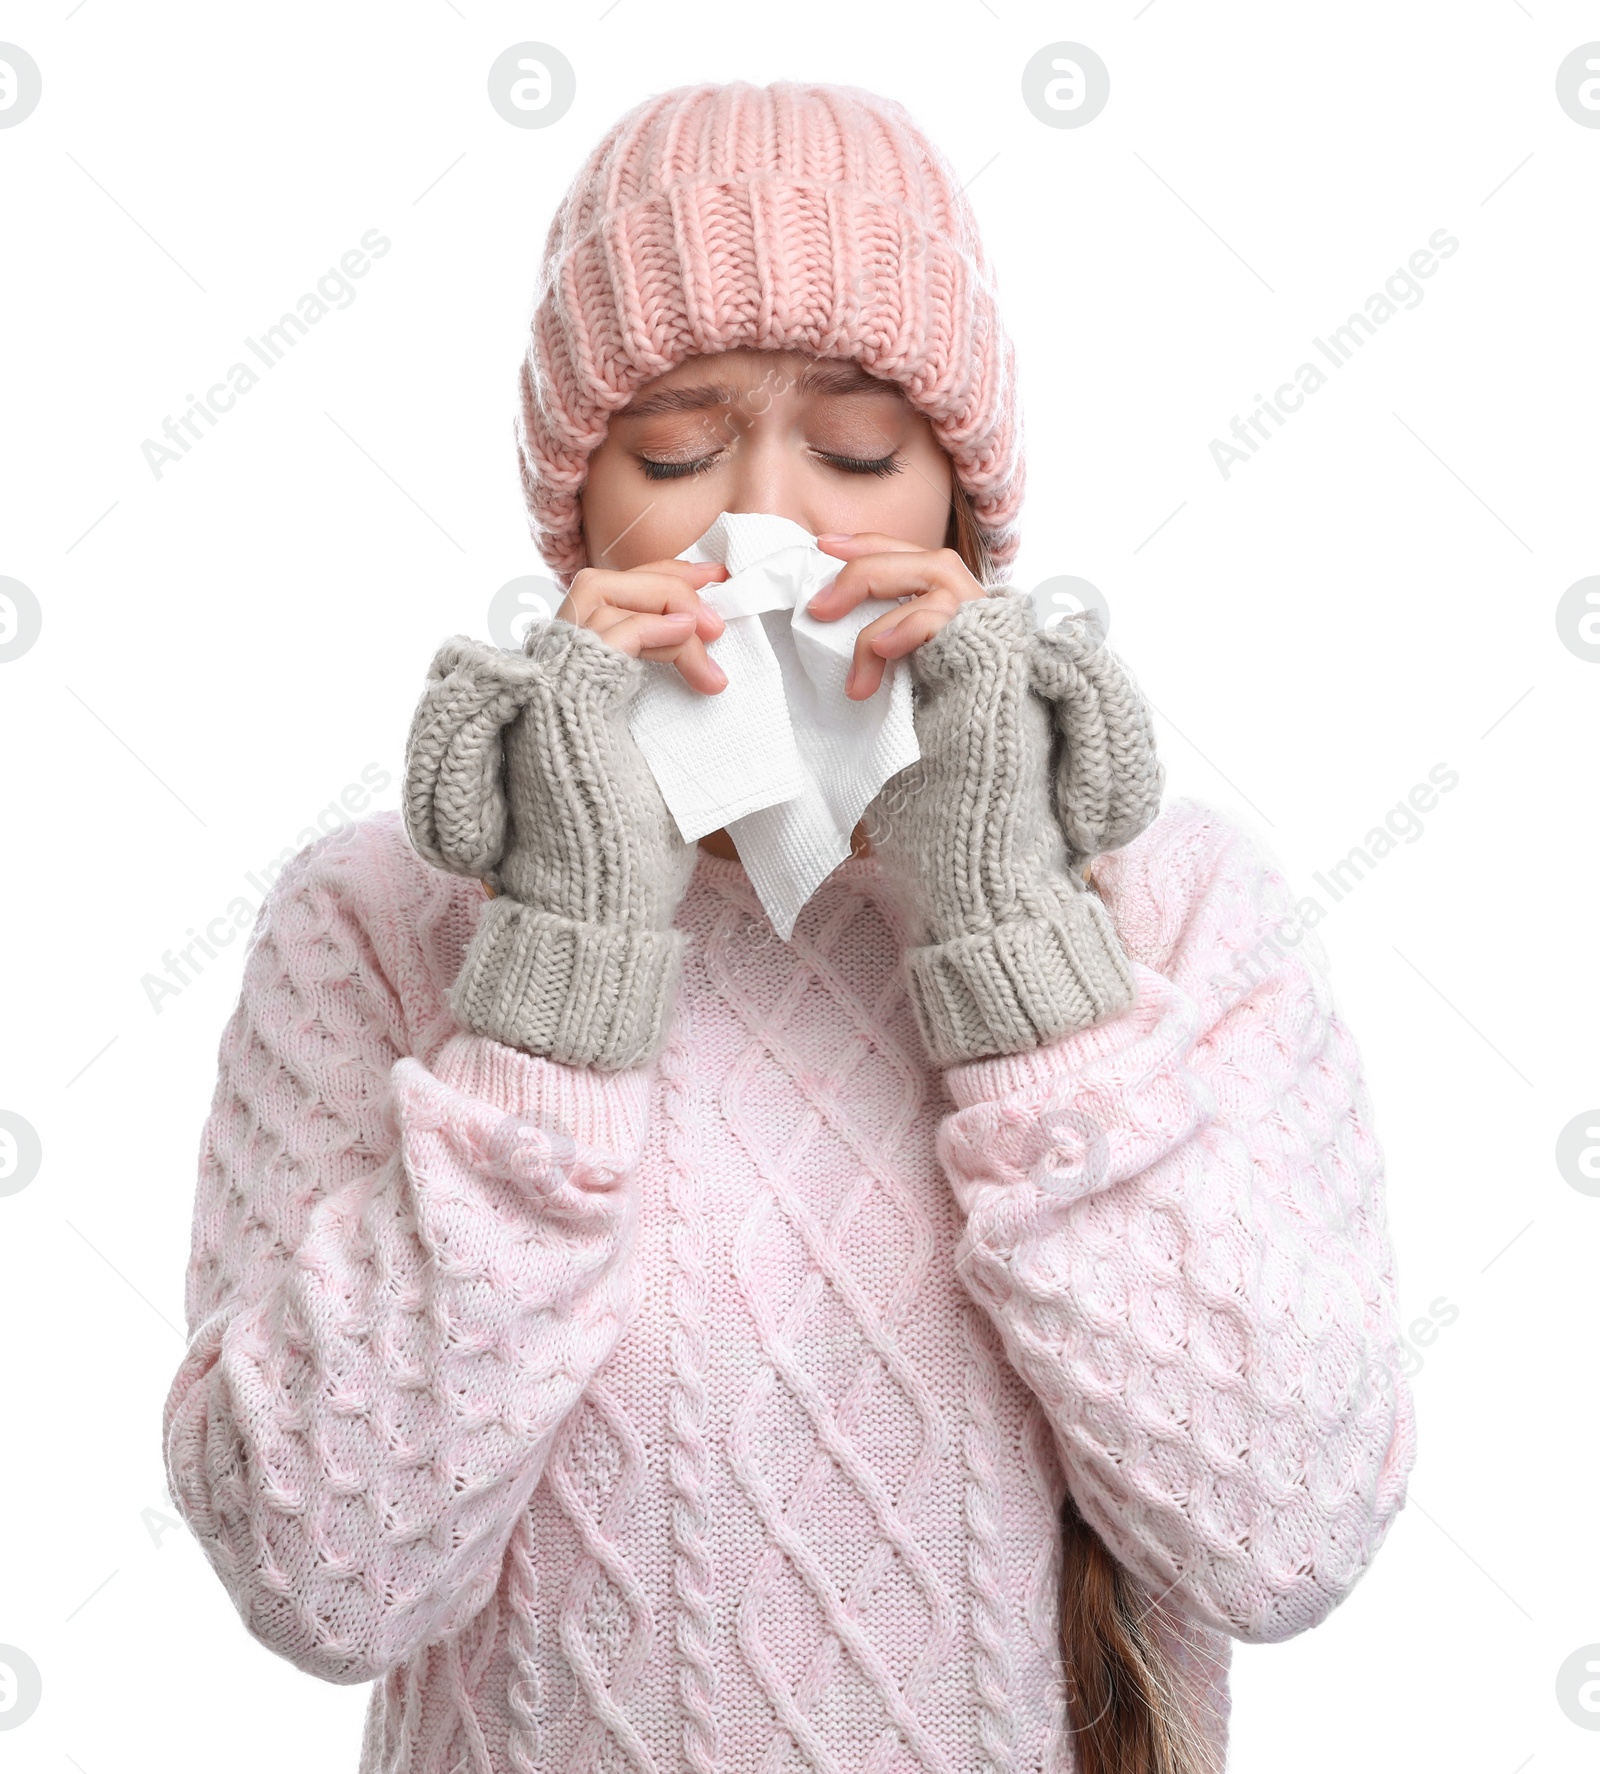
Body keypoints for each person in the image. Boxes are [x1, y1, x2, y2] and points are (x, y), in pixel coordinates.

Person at [161, 80, 1417, 1774]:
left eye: (856, 451)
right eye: (677, 451)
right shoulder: (379, 922)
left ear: (966, 509)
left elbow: (1288, 1528)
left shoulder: (1177, 906)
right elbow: (321, 1579)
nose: (766, 529)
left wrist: (1014, 941)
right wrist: (558, 971)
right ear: (577, 507)